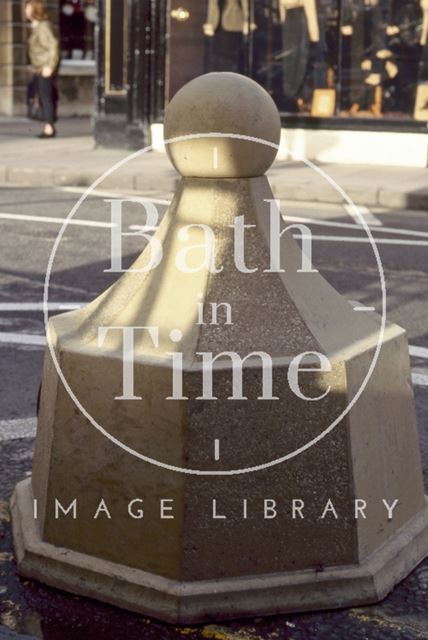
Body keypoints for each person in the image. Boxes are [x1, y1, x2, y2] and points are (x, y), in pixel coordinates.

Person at [25, 0, 59, 138]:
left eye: (27, 8)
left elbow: (53, 46)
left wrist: (49, 66)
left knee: (46, 97)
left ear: (34, 10)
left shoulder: (43, 26)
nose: (25, 11)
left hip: (45, 68)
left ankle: (49, 128)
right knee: (40, 96)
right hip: (39, 67)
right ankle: (48, 126)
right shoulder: (36, 26)